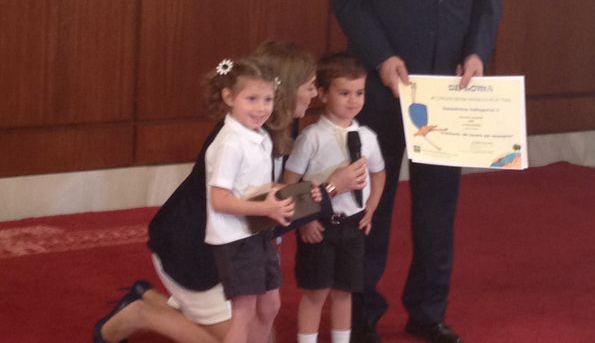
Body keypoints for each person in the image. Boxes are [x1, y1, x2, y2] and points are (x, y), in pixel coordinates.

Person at [329, 0, 506, 343]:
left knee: (437, 208)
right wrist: (381, 56)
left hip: (450, 85)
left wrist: (477, 51)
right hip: (384, 82)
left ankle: (428, 312)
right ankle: (361, 314)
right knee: (372, 202)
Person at [93, 41, 369, 343]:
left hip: (232, 248)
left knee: (263, 330)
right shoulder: (236, 139)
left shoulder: (275, 129)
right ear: (288, 90)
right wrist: (332, 189)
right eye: (309, 86)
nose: (314, 93)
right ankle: (140, 313)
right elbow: (259, 213)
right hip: (192, 252)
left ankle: (153, 299)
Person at [282, 52, 386, 343]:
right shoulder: (311, 137)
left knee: (344, 291)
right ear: (323, 93)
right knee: (315, 292)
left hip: (353, 225)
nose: (353, 101)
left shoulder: (367, 136)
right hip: (319, 224)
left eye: (359, 93)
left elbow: (379, 173)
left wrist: (371, 207)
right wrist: (303, 219)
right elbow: (289, 182)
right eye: (344, 93)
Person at [202, 56, 295, 343]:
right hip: (235, 238)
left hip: (257, 230)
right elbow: (219, 200)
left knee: (270, 306)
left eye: (267, 99)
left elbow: (256, 186)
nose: (261, 108)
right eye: (252, 99)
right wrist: (265, 207)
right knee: (244, 312)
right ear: (229, 97)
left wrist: (292, 193)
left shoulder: (259, 136)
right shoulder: (231, 142)